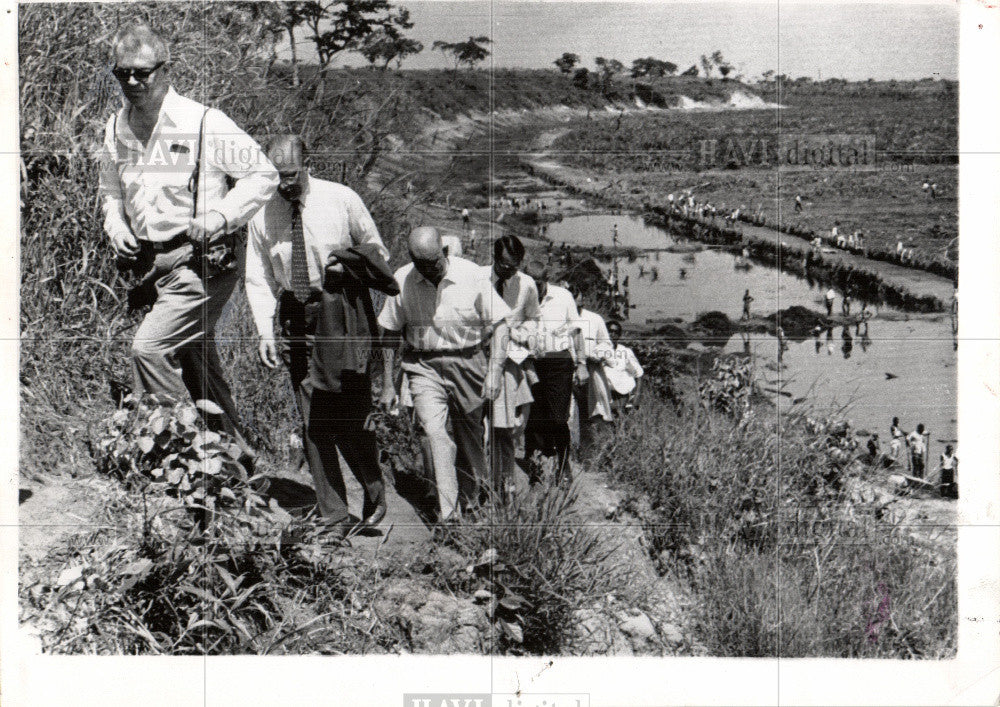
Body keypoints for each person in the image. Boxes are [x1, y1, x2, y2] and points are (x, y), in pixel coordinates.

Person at [99, 23, 278, 463]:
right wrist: (118, 228)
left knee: (150, 348)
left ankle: (185, 456)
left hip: (205, 261)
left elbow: (263, 174)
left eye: (143, 73)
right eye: (123, 74)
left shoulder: (204, 122)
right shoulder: (116, 127)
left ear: (165, 70)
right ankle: (235, 456)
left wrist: (219, 215)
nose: (134, 83)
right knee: (195, 356)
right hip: (153, 261)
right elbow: (110, 193)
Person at [245, 135, 394, 537]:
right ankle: (334, 516)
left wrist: (350, 265)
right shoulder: (261, 212)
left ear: (307, 163)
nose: (284, 185)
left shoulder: (341, 199)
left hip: (343, 311)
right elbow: (257, 277)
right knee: (313, 420)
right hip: (297, 315)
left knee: (348, 413)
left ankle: (373, 486)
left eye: (291, 175)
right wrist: (264, 331)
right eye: (277, 177)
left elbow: (378, 250)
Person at [378, 227, 510, 522]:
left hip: (469, 362)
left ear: (444, 252)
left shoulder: (472, 275)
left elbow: (501, 325)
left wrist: (494, 372)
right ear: (412, 259)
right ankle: (448, 514)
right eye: (421, 265)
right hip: (423, 365)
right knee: (433, 432)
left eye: (434, 262)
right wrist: (388, 383)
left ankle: (473, 499)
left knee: (470, 437)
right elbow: (389, 334)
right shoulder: (402, 280)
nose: (429, 270)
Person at [484, 236, 539, 499]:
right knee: (473, 425)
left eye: (514, 267)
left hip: (507, 362)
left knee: (503, 426)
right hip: (477, 356)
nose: (510, 272)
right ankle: (477, 480)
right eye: (505, 266)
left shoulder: (526, 284)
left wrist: (521, 334)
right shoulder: (478, 279)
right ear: (494, 259)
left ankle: (504, 482)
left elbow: (533, 318)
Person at [524, 268, 581, 484]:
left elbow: (576, 330)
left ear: (545, 280)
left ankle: (563, 464)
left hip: (559, 362)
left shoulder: (563, 296)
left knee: (559, 417)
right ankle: (536, 467)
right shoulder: (521, 295)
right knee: (534, 416)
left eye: (538, 283)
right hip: (531, 362)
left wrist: (582, 362)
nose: (534, 288)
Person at [570, 285, 613, 454]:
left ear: (583, 300)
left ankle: (587, 451)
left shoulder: (594, 319)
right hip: (565, 369)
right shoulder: (560, 318)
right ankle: (567, 451)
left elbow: (606, 343)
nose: (575, 304)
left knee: (591, 412)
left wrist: (596, 353)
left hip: (590, 370)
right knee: (566, 413)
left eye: (578, 300)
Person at [604, 320, 644, 412]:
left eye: (616, 332)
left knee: (620, 420)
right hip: (603, 394)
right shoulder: (597, 351)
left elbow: (639, 374)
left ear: (619, 335)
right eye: (609, 331)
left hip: (622, 395)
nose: (612, 334)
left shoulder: (625, 352)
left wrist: (637, 395)